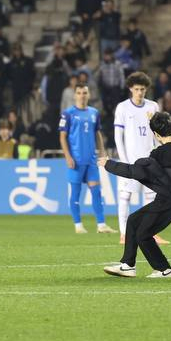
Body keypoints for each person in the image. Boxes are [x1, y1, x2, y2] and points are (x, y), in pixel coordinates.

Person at [100, 111, 171, 278]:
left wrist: (109, 164)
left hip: (168, 200)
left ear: (155, 134)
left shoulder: (159, 154)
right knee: (133, 220)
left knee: (143, 234)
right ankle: (128, 265)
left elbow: (135, 171)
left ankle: (165, 269)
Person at [113, 71, 169, 247]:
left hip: (150, 161)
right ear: (130, 89)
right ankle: (124, 233)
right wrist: (124, 161)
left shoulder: (153, 106)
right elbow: (118, 137)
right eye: (137, 89)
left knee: (151, 197)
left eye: (142, 89)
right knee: (125, 196)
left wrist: (160, 155)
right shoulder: (123, 108)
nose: (140, 92)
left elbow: (158, 134)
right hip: (130, 161)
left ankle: (151, 233)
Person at [60, 83, 111, 235]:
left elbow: (97, 133)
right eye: (79, 93)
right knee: (75, 194)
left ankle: (101, 225)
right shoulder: (68, 113)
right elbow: (62, 137)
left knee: (96, 192)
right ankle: (78, 225)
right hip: (76, 160)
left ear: (88, 95)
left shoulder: (94, 113)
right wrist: (68, 156)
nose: (82, 95)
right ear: (75, 95)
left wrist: (102, 151)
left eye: (84, 93)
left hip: (91, 160)